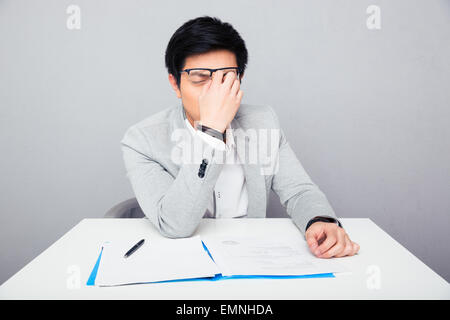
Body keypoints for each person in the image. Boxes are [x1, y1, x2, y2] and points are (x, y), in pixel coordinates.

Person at [121, 16, 359, 259]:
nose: (215, 91)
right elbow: (175, 225)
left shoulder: (263, 121)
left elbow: (299, 191)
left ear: (240, 79)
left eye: (225, 78)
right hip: (179, 260)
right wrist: (211, 133)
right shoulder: (142, 141)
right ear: (175, 83)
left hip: (250, 259)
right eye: (200, 78)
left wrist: (319, 220)